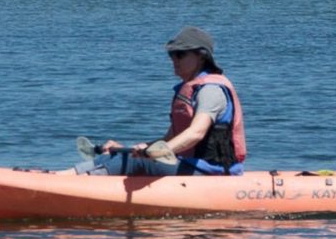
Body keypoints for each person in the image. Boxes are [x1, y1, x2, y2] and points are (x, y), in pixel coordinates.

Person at [80, 27, 248, 177]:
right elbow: (169, 140)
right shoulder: (191, 90)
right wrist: (134, 149)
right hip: (189, 165)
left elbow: (196, 133)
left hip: (212, 171)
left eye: (180, 54)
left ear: (201, 57)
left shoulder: (211, 91)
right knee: (118, 156)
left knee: (135, 162)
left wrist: (154, 153)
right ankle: (68, 176)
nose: (174, 59)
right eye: (171, 55)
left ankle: (80, 185)